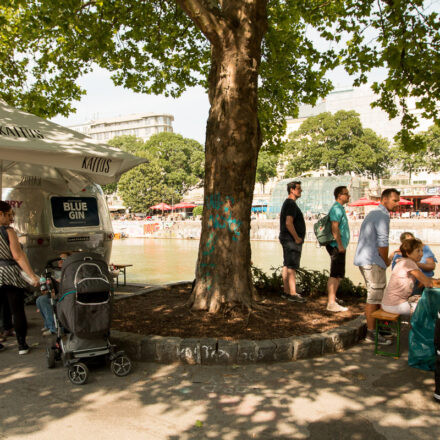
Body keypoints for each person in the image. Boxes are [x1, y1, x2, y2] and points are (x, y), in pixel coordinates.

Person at [354, 188, 400, 345]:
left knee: (376, 296)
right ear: (384, 199)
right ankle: (371, 333)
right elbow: (383, 242)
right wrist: (386, 261)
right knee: (373, 298)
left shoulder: (375, 213)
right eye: (395, 200)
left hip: (367, 259)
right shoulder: (381, 216)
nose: (397, 203)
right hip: (373, 261)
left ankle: (380, 328)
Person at [0, 201, 39, 354]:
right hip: (10, 274)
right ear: (0, 214)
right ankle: (22, 344)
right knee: (17, 310)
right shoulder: (8, 231)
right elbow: (18, 256)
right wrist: (32, 275)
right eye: (9, 215)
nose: (11, 218)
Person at [382, 238, 437, 315]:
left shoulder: (403, 261)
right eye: (418, 251)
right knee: (432, 308)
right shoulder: (409, 263)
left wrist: (433, 280)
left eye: (422, 251)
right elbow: (428, 283)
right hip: (395, 305)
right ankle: (421, 327)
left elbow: (423, 280)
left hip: (388, 303)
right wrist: (434, 282)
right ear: (408, 253)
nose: (421, 254)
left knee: (423, 303)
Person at [279, 181, 306, 303]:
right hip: (291, 240)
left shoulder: (288, 203)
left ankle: (286, 291)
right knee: (291, 266)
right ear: (292, 190)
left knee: (286, 264)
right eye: (299, 189)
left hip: (287, 239)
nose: (301, 191)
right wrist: (296, 238)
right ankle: (292, 293)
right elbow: (288, 222)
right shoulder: (291, 204)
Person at [326, 186, 351, 312]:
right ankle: (331, 303)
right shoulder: (336, 208)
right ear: (339, 195)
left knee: (339, 274)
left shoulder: (340, 208)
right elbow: (334, 227)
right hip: (337, 246)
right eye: (346, 194)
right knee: (335, 274)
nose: (348, 196)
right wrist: (340, 245)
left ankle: (333, 298)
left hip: (340, 246)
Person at [36, 252, 70, 336]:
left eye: (62, 260)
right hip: (58, 295)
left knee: (43, 300)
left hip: (66, 296)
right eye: (59, 260)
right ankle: (48, 324)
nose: (60, 262)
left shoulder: (69, 271)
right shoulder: (57, 271)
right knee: (39, 300)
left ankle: (53, 328)